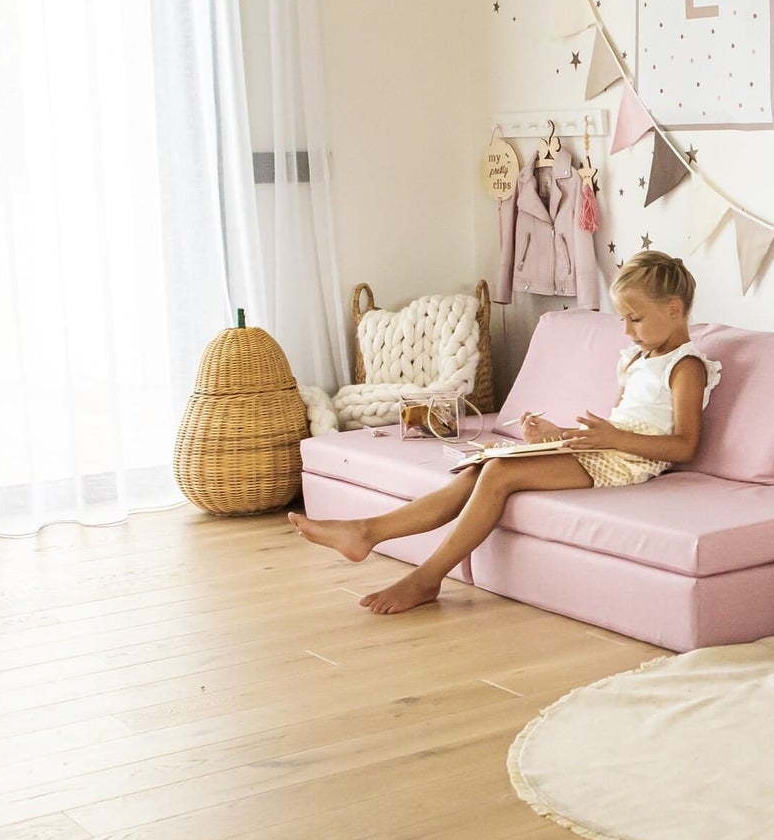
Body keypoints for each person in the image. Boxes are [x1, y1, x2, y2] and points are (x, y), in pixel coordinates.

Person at [288, 251, 721, 613]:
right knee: (482, 467)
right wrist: (557, 433)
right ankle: (366, 531)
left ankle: (427, 577)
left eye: (635, 319)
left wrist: (609, 439)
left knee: (499, 473)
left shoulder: (686, 366)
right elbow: (616, 427)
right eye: (623, 319)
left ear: (673, 309)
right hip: (609, 449)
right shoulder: (638, 358)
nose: (626, 330)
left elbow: (684, 445)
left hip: (631, 461)